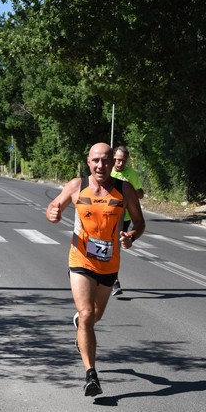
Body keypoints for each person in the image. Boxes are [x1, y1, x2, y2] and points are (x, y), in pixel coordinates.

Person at [46, 142, 145, 397]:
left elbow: (139, 222)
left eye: (106, 160)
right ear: (88, 162)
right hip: (81, 260)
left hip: (110, 264)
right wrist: (53, 214)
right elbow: (54, 207)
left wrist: (131, 237)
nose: (101, 165)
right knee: (87, 313)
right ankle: (91, 375)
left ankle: (80, 327)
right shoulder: (76, 185)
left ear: (113, 163)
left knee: (94, 317)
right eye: (96, 160)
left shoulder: (125, 189)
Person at [111, 145, 144, 296]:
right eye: (117, 160)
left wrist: (129, 188)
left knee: (115, 248)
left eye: (123, 161)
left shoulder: (131, 174)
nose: (119, 164)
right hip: (107, 215)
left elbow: (141, 194)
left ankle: (114, 281)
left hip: (123, 217)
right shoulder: (106, 170)